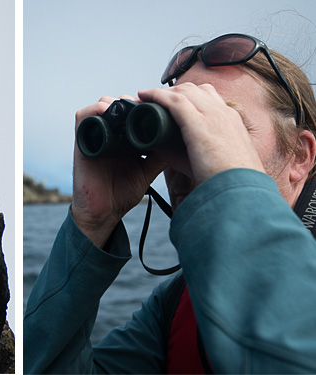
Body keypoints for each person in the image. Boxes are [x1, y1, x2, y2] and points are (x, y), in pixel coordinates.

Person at [24, 33, 316, 373]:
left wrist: (228, 182)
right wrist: (91, 223)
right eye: (178, 128)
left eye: (219, 125)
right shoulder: (177, 303)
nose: (188, 153)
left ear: (299, 157)